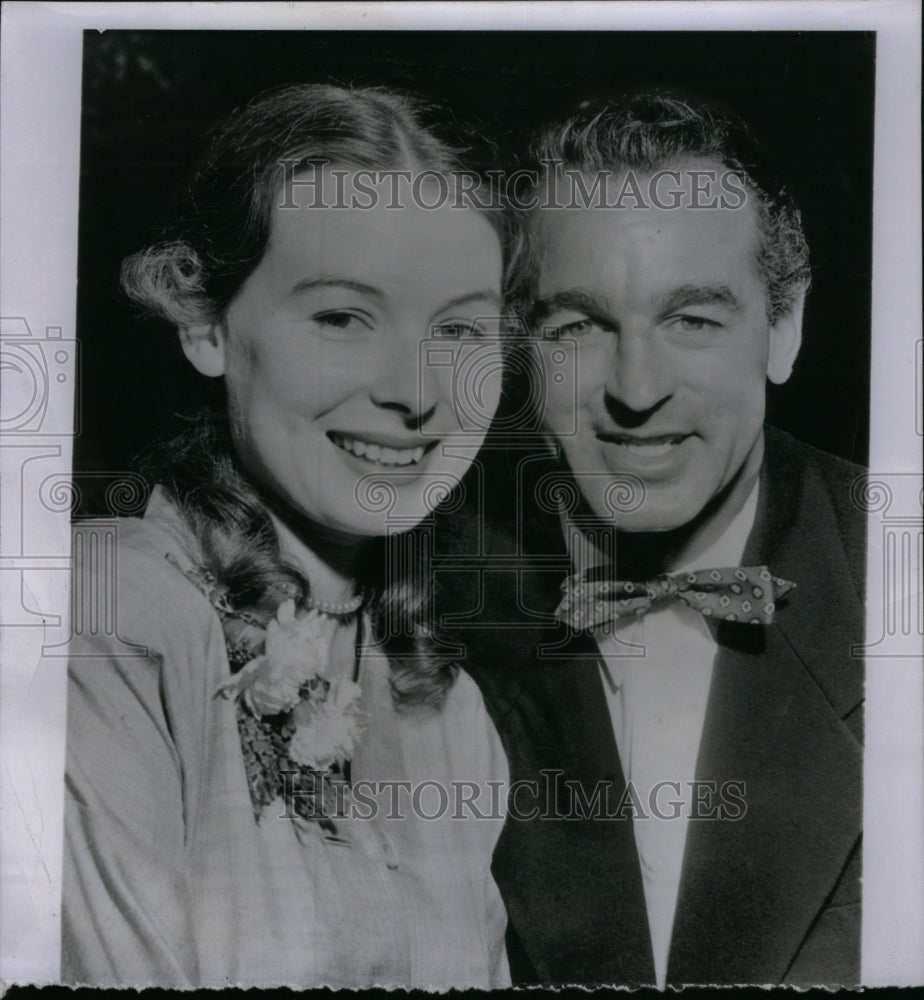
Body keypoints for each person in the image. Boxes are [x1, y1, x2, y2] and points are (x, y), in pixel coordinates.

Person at [62, 83, 518, 988]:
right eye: (343, 317)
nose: (416, 393)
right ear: (204, 323)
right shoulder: (109, 618)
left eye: (461, 330)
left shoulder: (445, 709)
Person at [450, 91, 864, 988]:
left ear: (782, 329)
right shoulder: (417, 603)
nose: (636, 388)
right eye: (580, 325)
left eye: (693, 320)